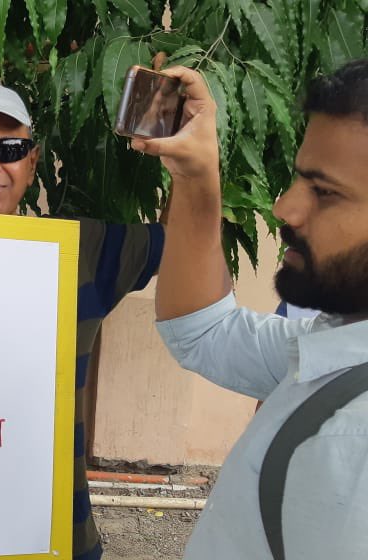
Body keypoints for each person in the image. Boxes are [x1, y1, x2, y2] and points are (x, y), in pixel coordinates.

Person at [0, 82, 165, 560]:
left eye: (9, 149)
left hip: (57, 538)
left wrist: (177, 142)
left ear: (32, 161)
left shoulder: (83, 254)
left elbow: (180, 245)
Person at [141, 60, 368, 558]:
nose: (285, 208)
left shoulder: (353, 443)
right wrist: (196, 172)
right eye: (299, 180)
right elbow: (203, 331)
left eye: (325, 192)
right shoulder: (333, 345)